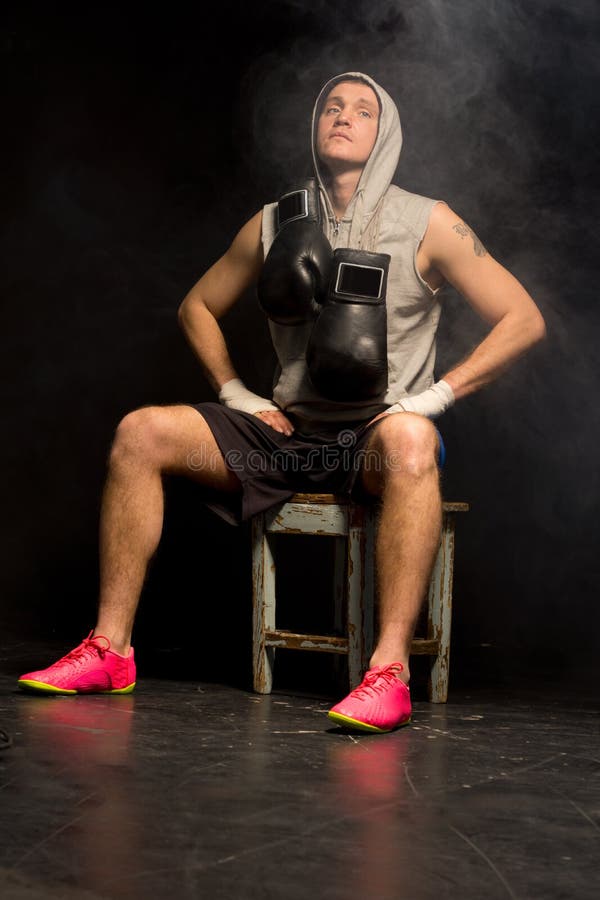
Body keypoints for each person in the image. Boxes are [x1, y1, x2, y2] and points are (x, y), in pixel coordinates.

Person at [18, 72, 545, 733]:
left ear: (388, 134)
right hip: (289, 437)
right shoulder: (276, 220)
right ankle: (111, 648)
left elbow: (523, 318)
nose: (343, 116)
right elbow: (197, 307)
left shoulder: (430, 221)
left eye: (362, 109)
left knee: (411, 441)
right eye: (331, 106)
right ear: (314, 125)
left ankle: (388, 673)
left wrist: (433, 398)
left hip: (377, 439)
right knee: (139, 432)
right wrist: (237, 393)